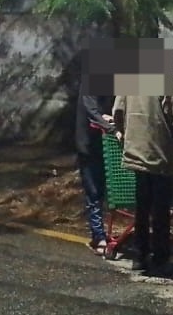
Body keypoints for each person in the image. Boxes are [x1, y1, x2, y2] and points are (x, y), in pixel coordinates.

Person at [112, 48, 173, 277]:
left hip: (136, 153)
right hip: (161, 156)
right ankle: (160, 257)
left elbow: (118, 111)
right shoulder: (169, 84)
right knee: (160, 211)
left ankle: (139, 256)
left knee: (142, 208)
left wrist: (124, 133)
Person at [74, 51, 115, 257]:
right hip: (89, 146)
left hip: (106, 146)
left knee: (109, 192)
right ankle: (99, 236)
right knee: (94, 192)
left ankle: (102, 233)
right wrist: (110, 126)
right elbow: (92, 111)